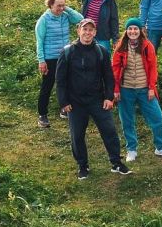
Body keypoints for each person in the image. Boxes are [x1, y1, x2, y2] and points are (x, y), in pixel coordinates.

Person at [56, 18, 130, 178]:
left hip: (97, 100)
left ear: (95, 32)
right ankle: (83, 166)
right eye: (85, 29)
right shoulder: (67, 52)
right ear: (78, 31)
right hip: (75, 103)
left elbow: (108, 77)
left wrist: (109, 98)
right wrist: (64, 102)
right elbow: (60, 80)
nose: (87, 33)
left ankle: (116, 163)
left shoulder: (101, 51)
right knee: (77, 135)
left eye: (91, 30)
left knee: (109, 131)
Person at [111, 18, 162, 161]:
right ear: (126, 31)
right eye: (130, 29)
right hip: (126, 89)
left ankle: (160, 147)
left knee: (157, 117)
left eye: (135, 29)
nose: (133, 31)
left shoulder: (147, 46)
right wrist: (116, 89)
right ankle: (131, 149)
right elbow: (114, 69)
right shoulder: (120, 47)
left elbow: (152, 68)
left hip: (144, 89)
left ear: (140, 31)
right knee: (127, 120)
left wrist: (152, 87)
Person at [34, 0, 83, 128]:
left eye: (63, 5)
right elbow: (39, 41)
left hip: (66, 56)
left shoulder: (65, 16)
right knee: (47, 86)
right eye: (58, 6)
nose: (61, 8)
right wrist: (41, 60)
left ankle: (64, 109)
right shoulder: (43, 20)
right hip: (50, 58)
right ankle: (42, 115)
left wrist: (67, 8)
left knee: (66, 84)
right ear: (50, 5)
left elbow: (81, 19)